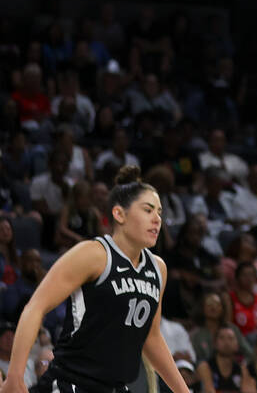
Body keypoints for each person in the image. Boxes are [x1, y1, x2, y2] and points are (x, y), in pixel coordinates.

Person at [0, 165, 191, 393]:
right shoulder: (93, 254)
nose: (157, 219)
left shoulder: (158, 268)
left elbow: (151, 337)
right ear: (119, 214)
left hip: (116, 387)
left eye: (159, 212)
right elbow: (36, 307)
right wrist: (14, 375)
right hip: (70, 383)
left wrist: (183, 391)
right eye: (148, 210)